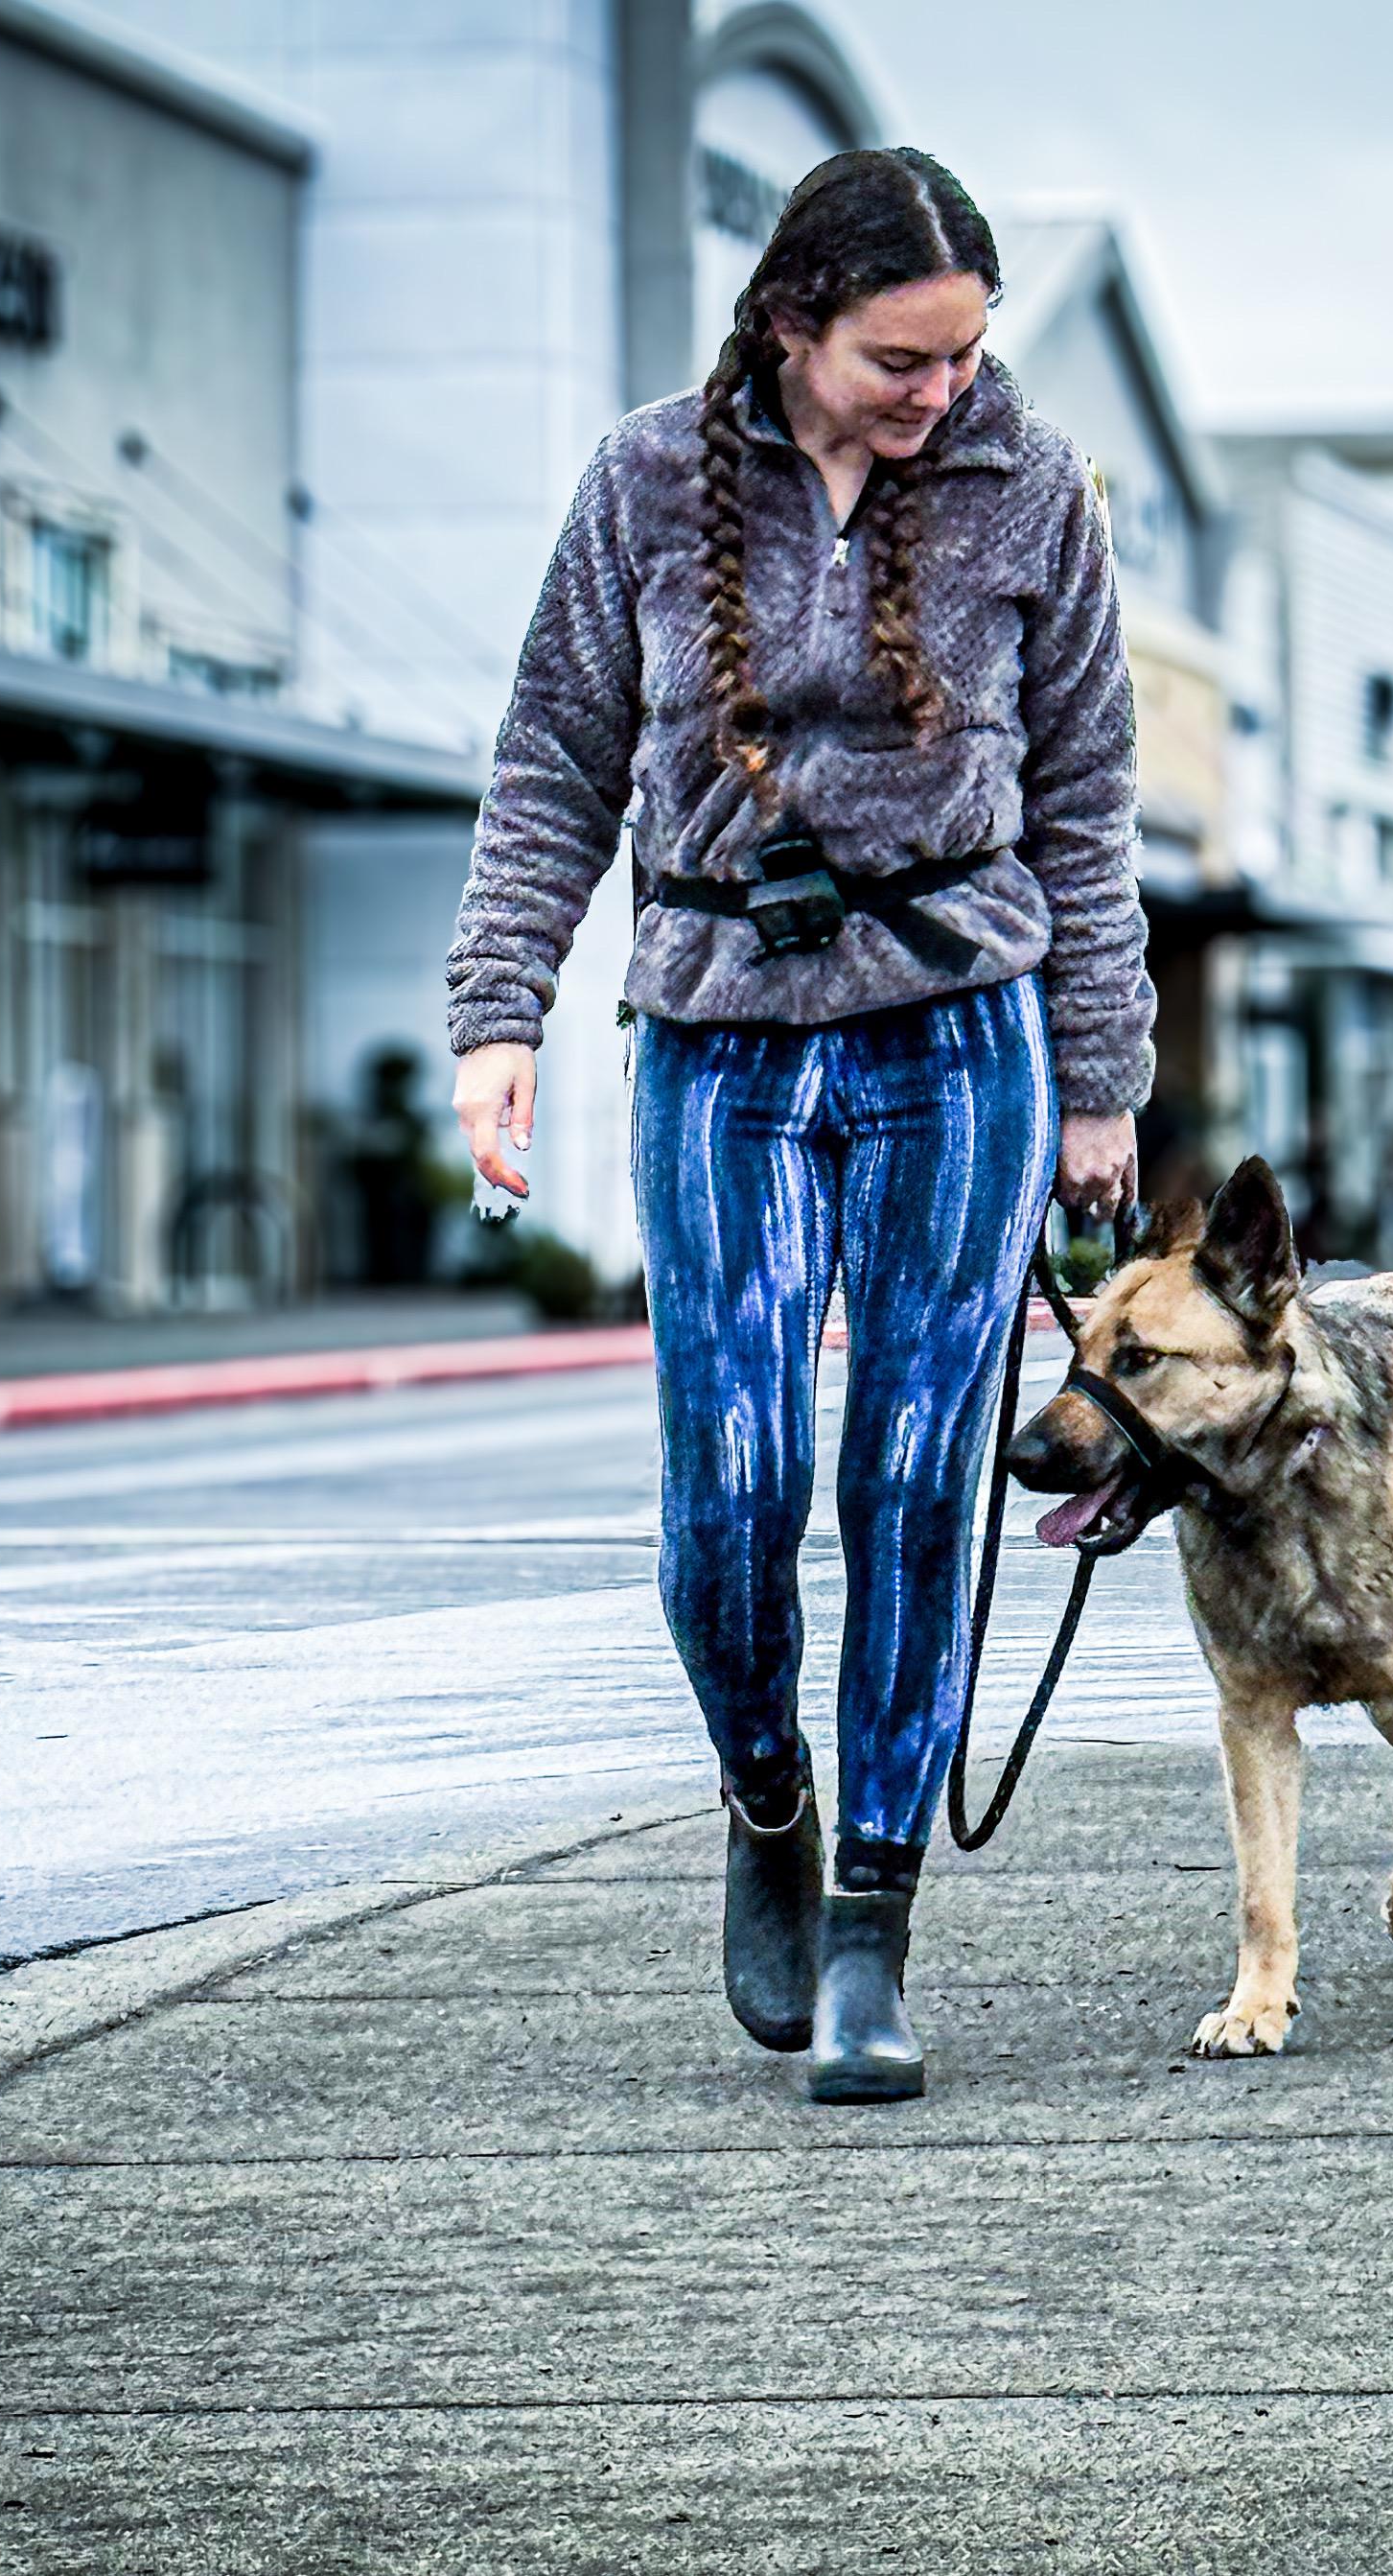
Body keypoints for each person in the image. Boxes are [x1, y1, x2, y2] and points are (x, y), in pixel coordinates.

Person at [442, 149, 1152, 2105]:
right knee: (734, 1483)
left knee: (915, 1473)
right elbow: (553, 755)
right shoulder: (641, 482)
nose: (943, 391)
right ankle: (767, 1789)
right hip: (720, 1033)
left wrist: (1101, 1073)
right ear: (791, 324)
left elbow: (1089, 797)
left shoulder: (1034, 488)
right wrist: (499, 1011)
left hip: (958, 1032)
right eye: (902, 359)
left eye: (965, 355)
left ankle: (870, 1924)